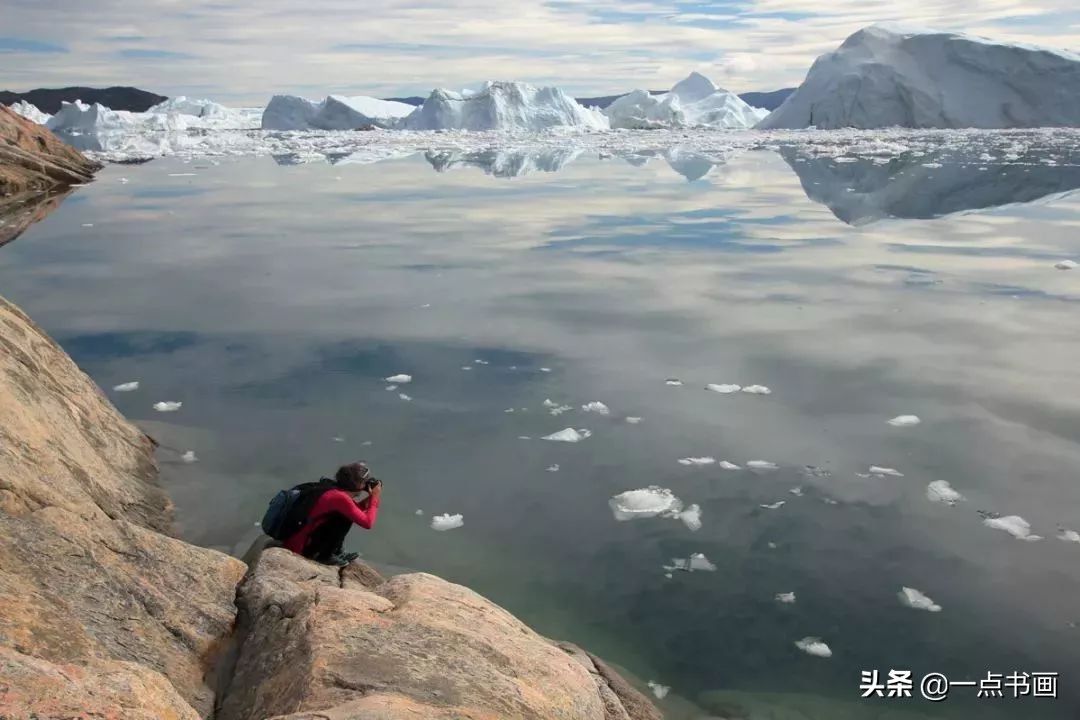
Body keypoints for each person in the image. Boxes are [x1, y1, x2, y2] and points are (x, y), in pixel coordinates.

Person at [282, 462, 381, 566]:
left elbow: (355, 511)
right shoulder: (340, 498)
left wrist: (372, 497)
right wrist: (375, 497)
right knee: (343, 518)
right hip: (301, 547)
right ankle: (324, 556)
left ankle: (335, 552)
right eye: (364, 482)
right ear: (357, 484)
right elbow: (367, 523)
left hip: (298, 539)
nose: (366, 484)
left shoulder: (334, 489)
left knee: (345, 515)